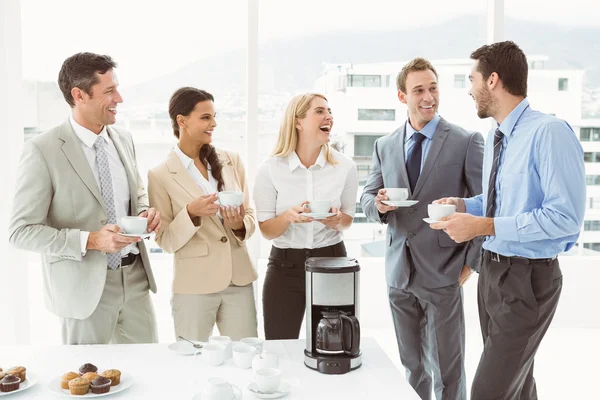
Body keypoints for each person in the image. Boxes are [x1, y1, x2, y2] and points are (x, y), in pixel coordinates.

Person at [431, 41, 586, 400]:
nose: (469, 90)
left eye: (472, 79)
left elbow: (563, 218)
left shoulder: (549, 132)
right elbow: (501, 201)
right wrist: (466, 205)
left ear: (493, 80)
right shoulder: (498, 135)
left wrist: (485, 226)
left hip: (528, 280)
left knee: (488, 391)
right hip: (493, 275)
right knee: (516, 387)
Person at [9, 52, 160, 344]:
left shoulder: (123, 139)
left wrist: (146, 213)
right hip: (84, 292)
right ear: (79, 94)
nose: (119, 98)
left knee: (149, 376)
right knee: (89, 381)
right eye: (109, 91)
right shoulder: (42, 150)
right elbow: (21, 232)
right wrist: (91, 240)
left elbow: (137, 195)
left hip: (136, 280)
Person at [360, 57, 484, 400]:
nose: (428, 97)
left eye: (433, 88)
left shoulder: (465, 140)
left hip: (444, 272)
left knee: (448, 370)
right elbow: (367, 199)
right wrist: (379, 205)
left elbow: (486, 204)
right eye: (419, 90)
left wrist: (470, 264)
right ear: (403, 97)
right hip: (399, 274)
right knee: (412, 367)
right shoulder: (384, 145)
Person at [148, 87, 258, 341]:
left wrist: (240, 225)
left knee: (246, 355)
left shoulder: (231, 160)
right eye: (205, 117)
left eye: (214, 116)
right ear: (182, 121)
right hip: (194, 286)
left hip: (238, 280)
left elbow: (250, 214)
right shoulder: (160, 175)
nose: (213, 123)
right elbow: (165, 240)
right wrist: (190, 213)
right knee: (191, 361)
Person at [253, 93, 358, 340]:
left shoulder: (345, 167)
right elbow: (267, 230)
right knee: (279, 346)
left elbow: (348, 220)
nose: (329, 117)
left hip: (332, 262)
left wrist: (336, 220)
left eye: (329, 111)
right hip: (284, 268)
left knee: (333, 347)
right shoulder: (270, 169)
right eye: (320, 111)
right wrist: (287, 217)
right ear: (298, 121)